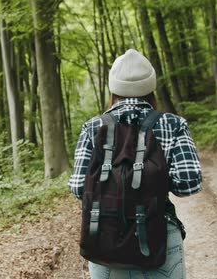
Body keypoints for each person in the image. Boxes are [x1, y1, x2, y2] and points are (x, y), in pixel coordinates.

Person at [69, 49, 202, 278]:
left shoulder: (92, 127)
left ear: (114, 89)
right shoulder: (173, 124)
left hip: (103, 239)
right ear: (151, 88)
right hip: (158, 235)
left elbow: (79, 187)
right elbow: (188, 184)